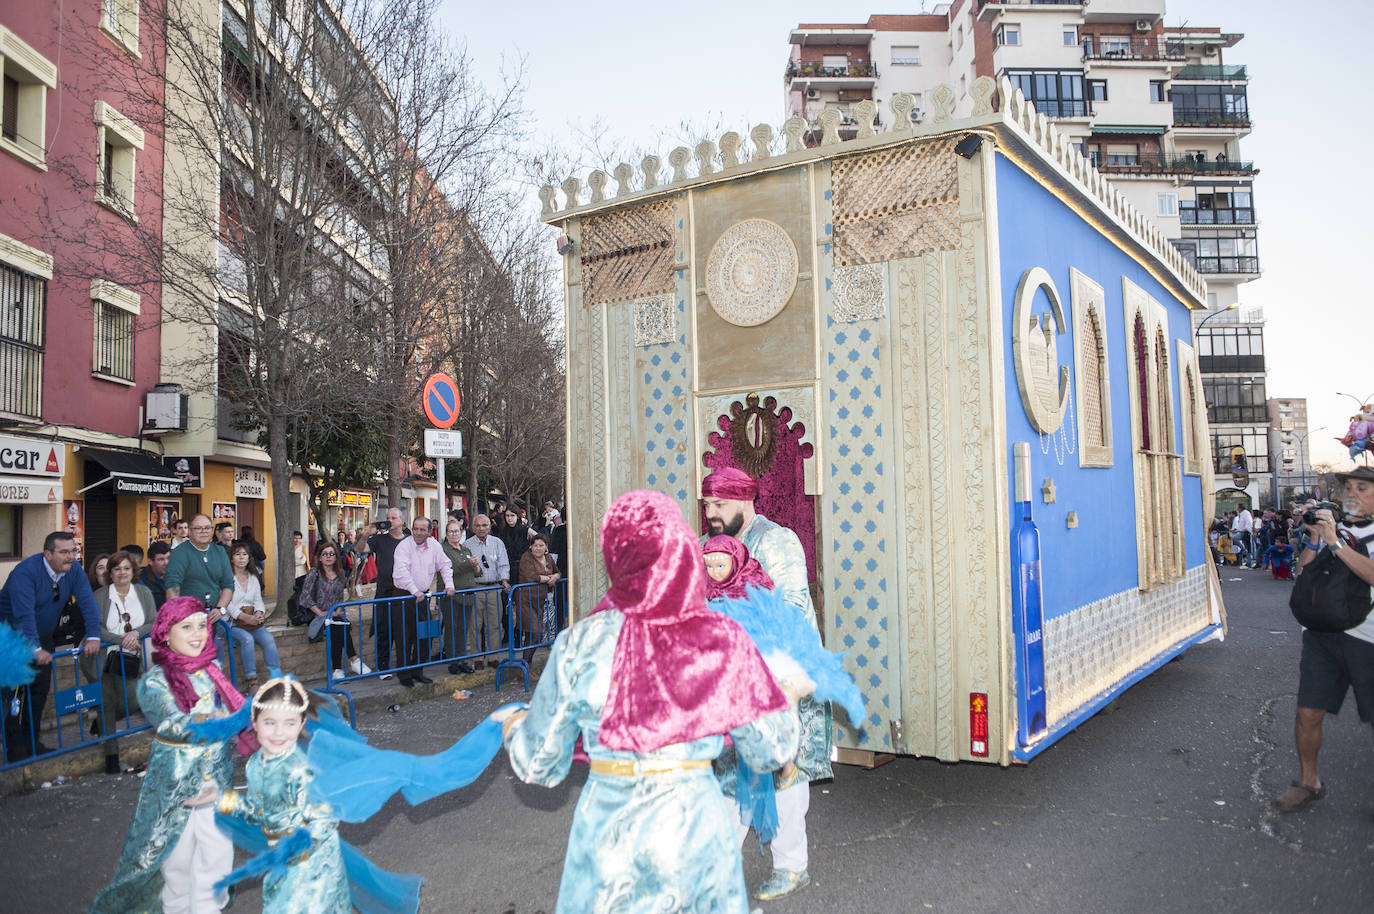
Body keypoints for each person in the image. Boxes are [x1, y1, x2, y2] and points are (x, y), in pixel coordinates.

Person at [496, 490, 800, 914]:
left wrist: (514, 728)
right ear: (681, 551)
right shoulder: (723, 639)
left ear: (614, 558)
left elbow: (540, 764)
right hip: (695, 829)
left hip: (610, 834)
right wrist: (782, 690)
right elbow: (774, 746)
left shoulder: (579, 644)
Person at [700, 467, 831, 900]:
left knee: (783, 774)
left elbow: (792, 608)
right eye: (707, 506)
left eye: (720, 505)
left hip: (780, 679)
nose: (712, 514)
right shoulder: (706, 547)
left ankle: (792, 867)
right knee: (728, 773)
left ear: (745, 500)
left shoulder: (777, 541)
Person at [90, 597, 243, 913]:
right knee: (177, 862)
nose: (198, 633)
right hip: (174, 789)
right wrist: (216, 720)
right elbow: (174, 724)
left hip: (214, 784)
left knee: (217, 857)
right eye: (186, 627)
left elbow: (237, 709)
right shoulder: (154, 683)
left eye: (202, 625)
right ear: (164, 634)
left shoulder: (213, 670)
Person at [1274, 466, 1374, 813]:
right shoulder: (1334, 527)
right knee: (1307, 714)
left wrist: (1336, 543)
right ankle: (1309, 782)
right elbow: (1303, 573)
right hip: (1321, 637)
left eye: (1362, 488)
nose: (1352, 494)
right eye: (1348, 487)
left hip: (1368, 639)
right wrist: (1316, 539)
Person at [213, 678, 351, 913]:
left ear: (301, 725)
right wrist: (219, 799)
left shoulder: (300, 769)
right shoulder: (255, 765)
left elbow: (325, 818)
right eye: (269, 722)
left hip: (313, 866)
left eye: (289, 723)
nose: (279, 733)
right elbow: (260, 813)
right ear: (254, 723)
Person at [0, 532, 101, 761]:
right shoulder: (25, 573)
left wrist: (94, 635)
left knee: (38, 692)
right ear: (48, 554)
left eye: (73, 551)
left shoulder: (73, 570)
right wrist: (34, 649)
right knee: (13, 695)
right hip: (10, 637)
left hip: (43, 636)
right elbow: (23, 615)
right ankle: (14, 747)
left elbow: (87, 602)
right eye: (64, 552)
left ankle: (32, 743)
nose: (71, 557)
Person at [83, 550, 155, 772]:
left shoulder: (143, 593)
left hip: (132, 660)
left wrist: (135, 634)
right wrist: (119, 639)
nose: (122, 572)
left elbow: (153, 621)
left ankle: (99, 722)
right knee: (107, 704)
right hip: (102, 659)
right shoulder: (101, 596)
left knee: (132, 700)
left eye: (126, 568)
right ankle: (111, 758)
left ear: (133, 571)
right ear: (110, 573)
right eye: (117, 569)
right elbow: (95, 627)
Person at [165, 514, 235, 676]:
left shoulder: (219, 552)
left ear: (213, 531)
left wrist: (220, 609)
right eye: (198, 528)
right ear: (189, 531)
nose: (203, 531)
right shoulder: (179, 553)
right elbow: (172, 586)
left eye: (207, 528)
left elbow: (228, 585)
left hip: (212, 618)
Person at [392, 516, 455, 686]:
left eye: (422, 530)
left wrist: (449, 585)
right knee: (405, 637)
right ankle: (404, 675)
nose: (418, 533)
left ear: (429, 531)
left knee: (425, 636)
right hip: (404, 596)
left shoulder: (434, 545)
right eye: (415, 529)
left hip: (423, 597)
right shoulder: (403, 546)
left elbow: (445, 565)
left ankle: (418, 670)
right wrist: (414, 590)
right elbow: (400, 572)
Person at [300, 540, 369, 681]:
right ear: (319, 557)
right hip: (317, 616)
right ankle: (354, 660)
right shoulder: (315, 573)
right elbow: (304, 597)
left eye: (332, 554)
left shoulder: (340, 574)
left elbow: (339, 598)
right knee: (337, 626)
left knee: (338, 625)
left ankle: (338, 669)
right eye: (324, 554)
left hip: (334, 614)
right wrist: (320, 612)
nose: (328, 556)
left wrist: (337, 610)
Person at [225, 542, 281, 694]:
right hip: (233, 623)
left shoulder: (253, 577)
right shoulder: (227, 578)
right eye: (238, 554)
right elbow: (227, 603)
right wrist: (242, 616)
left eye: (244, 554)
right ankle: (252, 681)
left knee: (269, 639)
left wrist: (259, 613)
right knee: (247, 640)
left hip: (252, 622)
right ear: (231, 558)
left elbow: (258, 601)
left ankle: (276, 679)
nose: (241, 558)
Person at [367, 508, 410, 680]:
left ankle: (405, 665)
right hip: (384, 592)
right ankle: (383, 666)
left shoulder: (409, 541)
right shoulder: (379, 539)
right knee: (383, 630)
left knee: (404, 630)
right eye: (387, 518)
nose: (390, 520)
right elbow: (361, 550)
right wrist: (366, 534)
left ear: (401, 521)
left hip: (404, 592)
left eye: (394, 517)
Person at [463, 514, 510, 663]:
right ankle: (477, 657)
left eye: (484, 525)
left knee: (494, 624)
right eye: (477, 525)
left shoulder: (497, 543)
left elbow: (503, 564)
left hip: (494, 588)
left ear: (490, 526)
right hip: (476, 589)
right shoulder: (467, 545)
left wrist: (504, 581)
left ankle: (493, 656)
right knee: (475, 625)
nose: (481, 528)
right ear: (472, 527)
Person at [441, 518, 479, 675]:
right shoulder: (444, 549)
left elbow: (478, 572)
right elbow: (452, 567)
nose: (454, 534)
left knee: (463, 629)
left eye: (456, 531)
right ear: (447, 534)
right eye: (451, 531)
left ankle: (462, 659)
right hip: (451, 595)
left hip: (468, 595)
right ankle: (452, 661)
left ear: (462, 532)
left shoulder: (465, 549)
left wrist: (475, 566)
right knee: (451, 628)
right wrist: (470, 564)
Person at [515, 533, 560, 663]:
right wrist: (548, 579)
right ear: (531, 547)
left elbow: (558, 571)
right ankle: (525, 664)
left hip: (540, 601)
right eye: (535, 545)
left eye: (541, 545)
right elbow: (530, 576)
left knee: (532, 634)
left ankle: (526, 666)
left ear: (546, 546)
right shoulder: (526, 558)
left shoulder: (549, 558)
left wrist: (555, 577)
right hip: (526, 600)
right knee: (535, 633)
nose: (538, 548)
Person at [140, 540, 172, 611]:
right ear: (150, 561)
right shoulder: (141, 581)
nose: (166, 563)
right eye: (161, 559)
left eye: (168, 558)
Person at [499, 508, 531, 573]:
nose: (509, 518)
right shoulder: (503, 531)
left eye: (512, 515)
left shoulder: (524, 529)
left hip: (523, 566)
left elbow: (539, 538)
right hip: (507, 565)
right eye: (507, 515)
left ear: (517, 516)